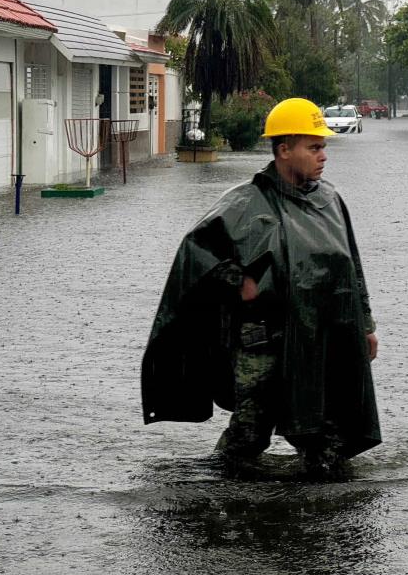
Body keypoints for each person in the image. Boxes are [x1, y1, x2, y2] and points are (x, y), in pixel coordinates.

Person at [141, 97, 380, 476]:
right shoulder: (245, 203)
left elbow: (352, 267)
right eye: (314, 147)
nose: (323, 156)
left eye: (324, 147)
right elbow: (195, 253)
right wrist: (240, 280)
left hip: (318, 338)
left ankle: (318, 506)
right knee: (249, 436)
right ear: (284, 149)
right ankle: (218, 497)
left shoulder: (330, 201)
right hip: (264, 342)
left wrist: (365, 325)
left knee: (326, 438)